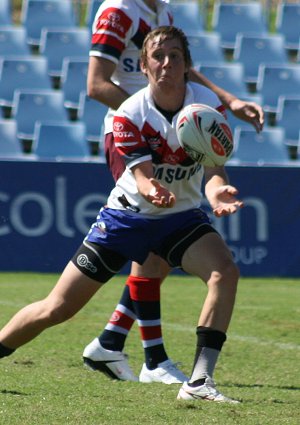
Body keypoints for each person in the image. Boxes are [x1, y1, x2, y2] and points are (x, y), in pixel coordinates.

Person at [0, 25, 244, 403]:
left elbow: (214, 169)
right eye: (157, 57)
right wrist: (153, 190)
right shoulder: (128, 113)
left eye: (174, 56)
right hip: (126, 219)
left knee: (224, 272)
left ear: (186, 63)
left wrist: (217, 193)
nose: (166, 64)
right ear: (144, 66)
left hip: (179, 218)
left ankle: (198, 383)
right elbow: (143, 180)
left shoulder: (207, 104)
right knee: (56, 308)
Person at [82, 0, 264, 384]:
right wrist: (154, 120)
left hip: (164, 128)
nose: (166, 61)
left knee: (164, 239)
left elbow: (182, 70)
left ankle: (114, 341)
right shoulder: (120, 11)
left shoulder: (160, 11)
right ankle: (153, 359)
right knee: (154, 228)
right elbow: (97, 84)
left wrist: (226, 100)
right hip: (131, 138)